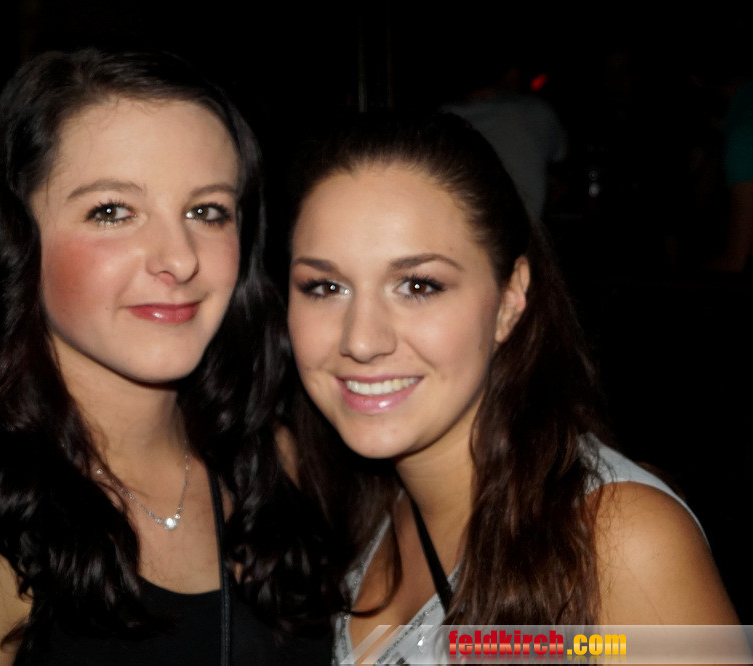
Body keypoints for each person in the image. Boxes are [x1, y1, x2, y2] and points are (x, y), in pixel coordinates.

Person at [0, 48, 337, 664]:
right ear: (16, 238)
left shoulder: (277, 464)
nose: (179, 258)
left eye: (207, 211)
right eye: (112, 211)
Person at [284, 114, 740, 663]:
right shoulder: (340, 499)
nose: (361, 340)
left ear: (509, 300)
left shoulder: (620, 542)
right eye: (325, 286)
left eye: (418, 285)